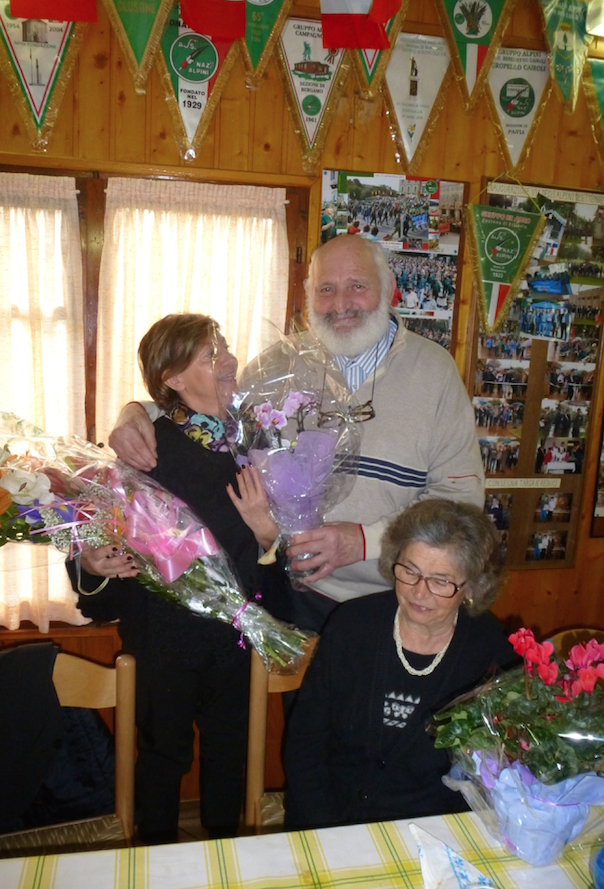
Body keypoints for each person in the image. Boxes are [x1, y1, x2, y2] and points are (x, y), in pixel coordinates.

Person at [108, 237, 483, 632]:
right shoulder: (278, 363)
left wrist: (365, 542)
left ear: (388, 288)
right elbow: (208, 407)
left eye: (357, 285)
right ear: (308, 296)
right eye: (326, 289)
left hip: (398, 600)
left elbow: (462, 501)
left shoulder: (435, 372)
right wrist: (136, 413)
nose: (340, 304)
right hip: (294, 598)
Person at [70, 314, 289, 844]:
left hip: (237, 641)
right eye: (211, 355)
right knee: (161, 759)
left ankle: (224, 860)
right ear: (172, 378)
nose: (229, 360)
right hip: (161, 643)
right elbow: (93, 561)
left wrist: (269, 535)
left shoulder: (261, 445)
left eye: (225, 347)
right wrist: (91, 564)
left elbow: (279, 571)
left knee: (230, 755)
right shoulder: (143, 451)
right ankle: (153, 861)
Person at [283, 498, 515, 830]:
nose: (419, 592)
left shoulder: (492, 652)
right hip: (330, 818)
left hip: (436, 828)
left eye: (440, 580)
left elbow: (494, 773)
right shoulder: (351, 626)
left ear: (471, 588)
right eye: (410, 571)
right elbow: (305, 743)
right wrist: (328, 831)